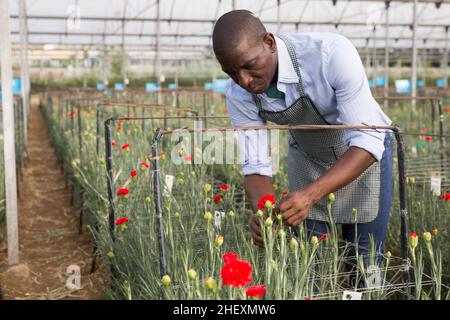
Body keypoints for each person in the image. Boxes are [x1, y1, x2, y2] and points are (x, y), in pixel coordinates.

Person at [212, 10, 394, 267]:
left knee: (364, 257)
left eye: (249, 65)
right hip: (309, 156)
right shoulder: (238, 93)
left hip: (361, 158)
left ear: (270, 43)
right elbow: (256, 166)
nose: (243, 80)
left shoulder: (330, 54)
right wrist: (266, 216)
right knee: (308, 259)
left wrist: (310, 195)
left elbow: (367, 140)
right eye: (231, 73)